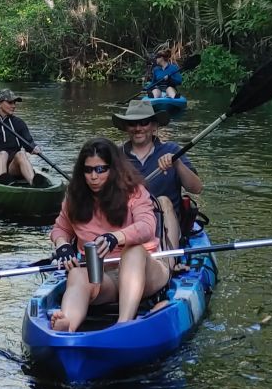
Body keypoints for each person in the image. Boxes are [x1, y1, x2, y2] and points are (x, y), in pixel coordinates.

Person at [48, 137, 169, 333]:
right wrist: (62, 245)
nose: (93, 176)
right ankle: (67, 325)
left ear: (113, 169)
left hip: (145, 271)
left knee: (134, 251)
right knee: (77, 273)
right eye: (88, 170)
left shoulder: (134, 192)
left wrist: (116, 237)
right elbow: (60, 229)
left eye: (100, 169)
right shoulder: (74, 198)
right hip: (104, 276)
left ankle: (123, 324)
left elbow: (147, 226)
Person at [113, 100, 203, 253]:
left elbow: (196, 188)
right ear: (126, 128)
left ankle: (169, 260)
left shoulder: (173, 150)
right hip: (130, 223)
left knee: (163, 201)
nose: (138, 128)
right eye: (133, 124)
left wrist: (177, 164)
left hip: (166, 225)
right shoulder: (115, 156)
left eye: (144, 123)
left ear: (154, 126)